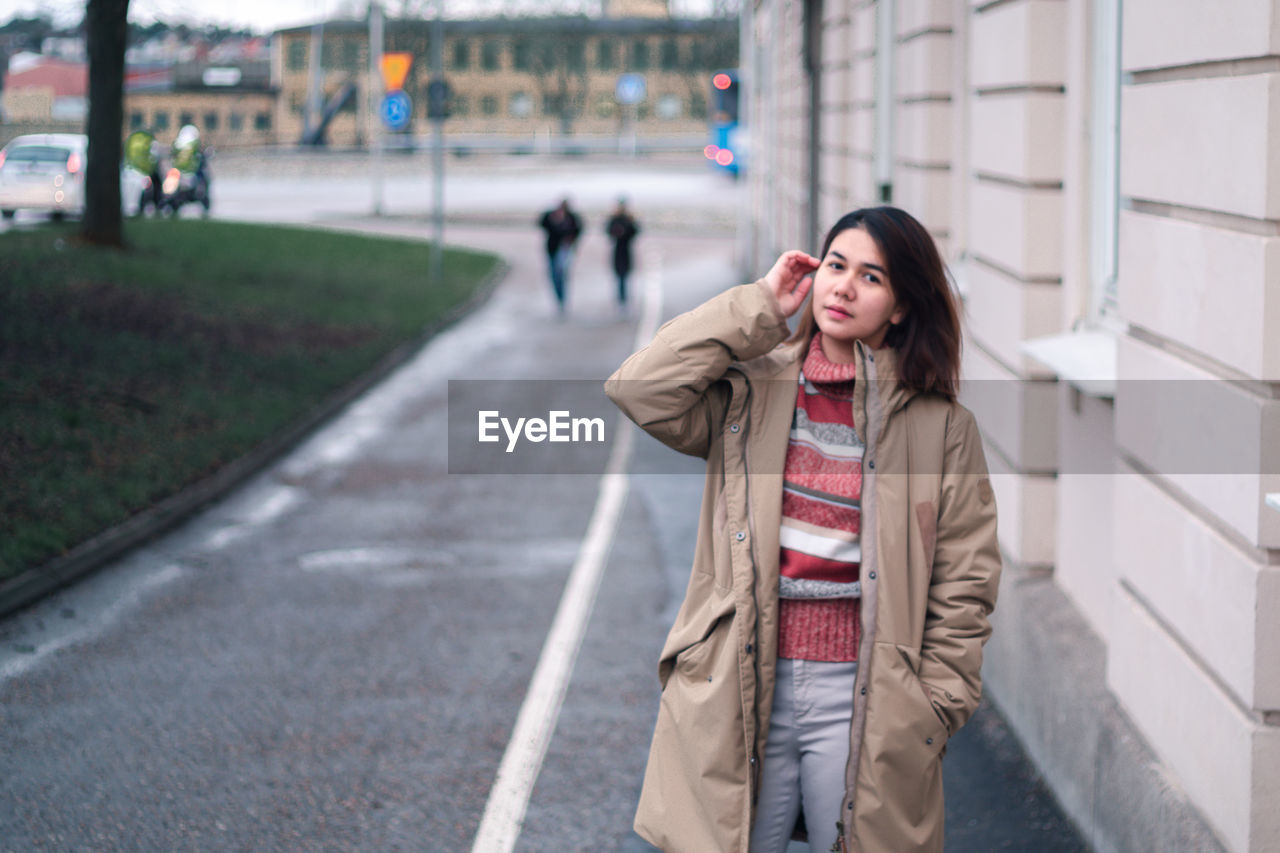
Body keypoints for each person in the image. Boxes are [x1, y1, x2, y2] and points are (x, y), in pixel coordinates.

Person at [605, 206, 1002, 853]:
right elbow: (641, 386)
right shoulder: (749, 395)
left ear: (900, 306)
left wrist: (933, 705)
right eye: (836, 265)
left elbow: (968, 580)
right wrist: (760, 304)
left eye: (871, 277)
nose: (844, 286)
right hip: (743, 676)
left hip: (866, 691)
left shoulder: (941, 427)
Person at [538, 198, 583, 315]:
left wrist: (571, 239)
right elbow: (542, 224)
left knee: (560, 274)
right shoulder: (551, 215)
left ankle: (562, 300)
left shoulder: (572, 218)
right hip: (552, 250)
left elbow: (579, 230)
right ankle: (559, 300)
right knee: (554, 275)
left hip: (565, 250)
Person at [605, 197, 640, 313]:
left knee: (624, 277)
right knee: (619, 277)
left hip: (626, 250)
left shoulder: (628, 219)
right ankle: (621, 300)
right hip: (617, 250)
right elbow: (608, 231)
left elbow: (635, 231)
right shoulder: (614, 219)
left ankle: (623, 300)